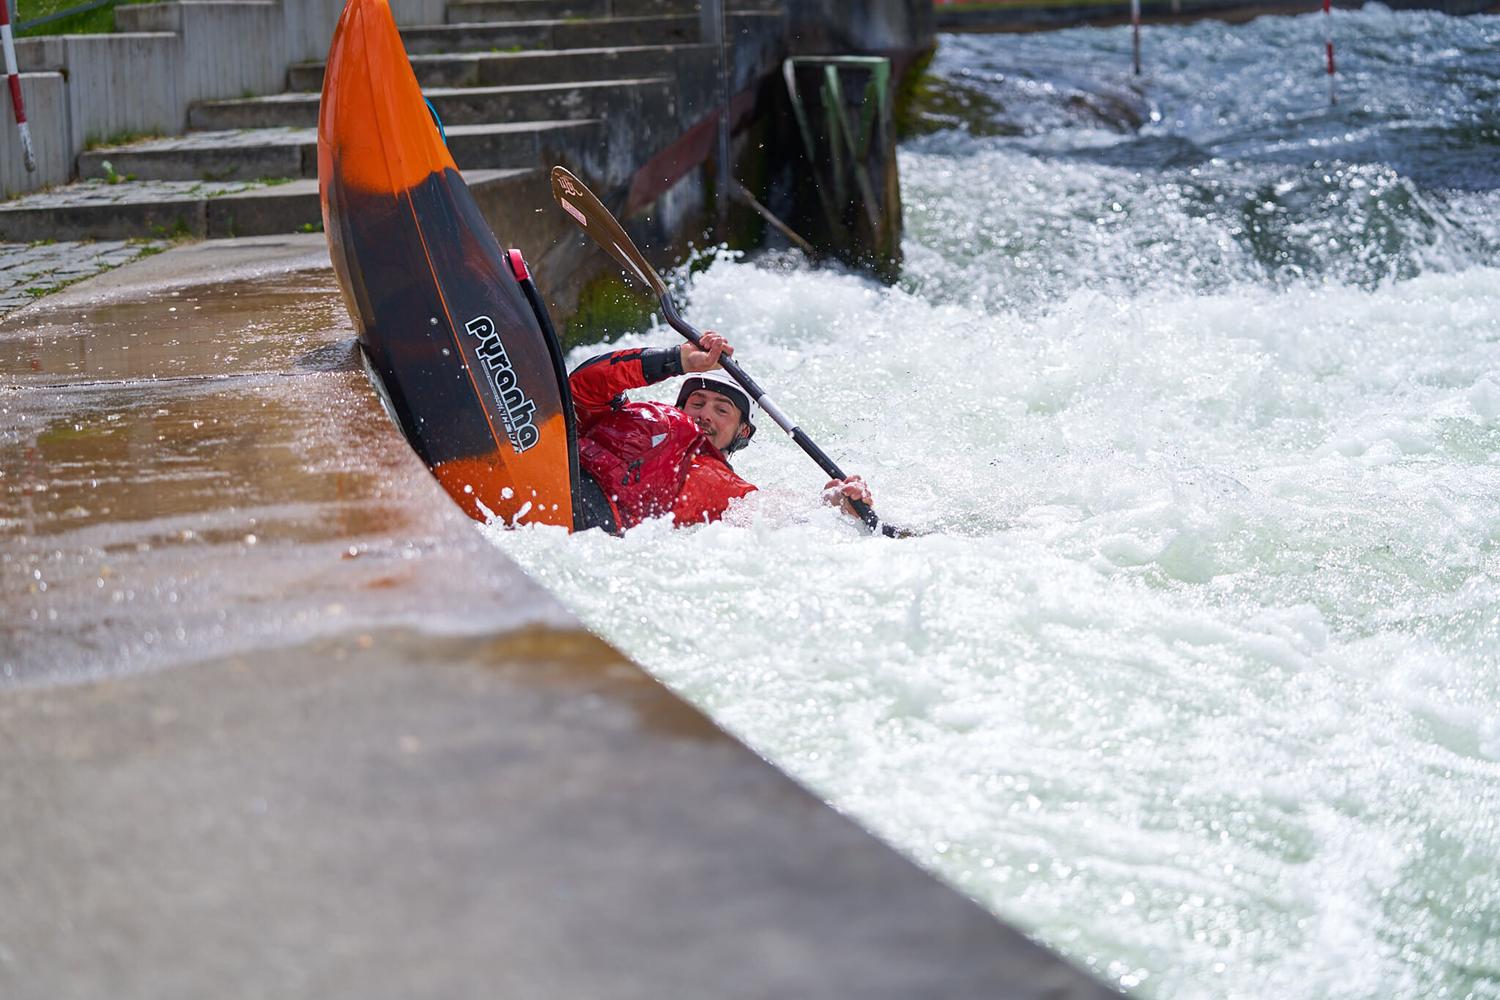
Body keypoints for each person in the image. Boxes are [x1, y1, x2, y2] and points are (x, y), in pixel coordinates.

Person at [568, 331, 872, 533]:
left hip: (589, 521)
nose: (705, 414)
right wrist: (679, 359)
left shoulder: (726, 488)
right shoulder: (635, 417)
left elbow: (781, 513)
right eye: (697, 402)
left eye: (722, 410)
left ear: (743, 431)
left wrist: (837, 502)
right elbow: (581, 386)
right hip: (562, 470)